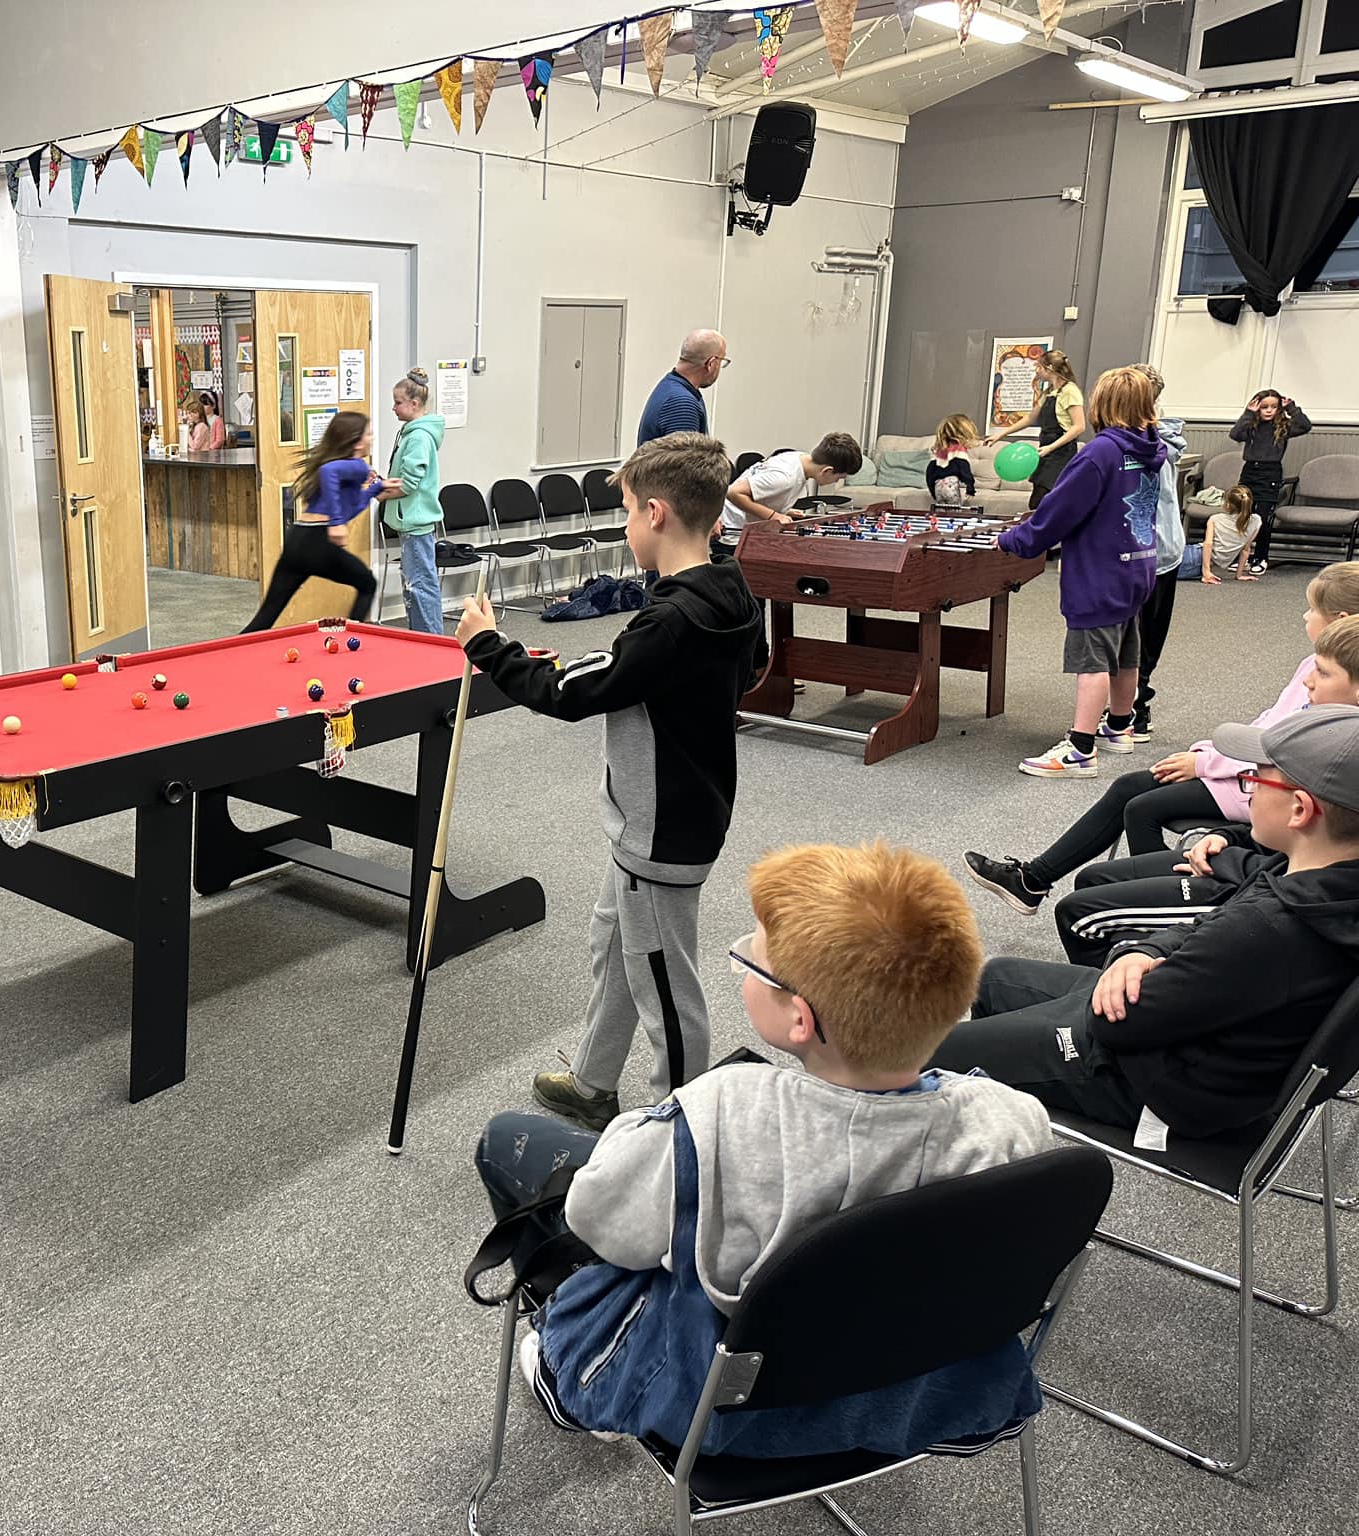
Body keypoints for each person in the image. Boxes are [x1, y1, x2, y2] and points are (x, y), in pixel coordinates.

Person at [474, 842, 1053, 1456]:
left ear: (800, 1020)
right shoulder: (1015, 1119)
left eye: (752, 955)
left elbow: (596, 1221)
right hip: (917, 1392)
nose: (743, 961)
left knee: (514, 1144)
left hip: (730, 1407)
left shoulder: (720, 1115)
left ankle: (569, 1368)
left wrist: (648, 1127)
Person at [456, 433, 767, 1128]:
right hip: (674, 813)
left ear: (655, 515)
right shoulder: (734, 587)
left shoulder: (669, 621)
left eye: (627, 511)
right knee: (617, 941)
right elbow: (752, 666)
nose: (625, 525)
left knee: (665, 979)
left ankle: (683, 1124)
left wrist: (486, 646)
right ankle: (595, 1082)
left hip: (662, 828)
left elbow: (572, 690)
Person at [932, 705, 1359, 1140]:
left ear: (1300, 811)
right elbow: (1212, 921)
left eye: (1253, 780)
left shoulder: (1270, 930)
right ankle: (987, 1122)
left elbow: (1116, 1023)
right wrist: (1142, 950)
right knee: (997, 977)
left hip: (1157, 1082)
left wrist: (1126, 966)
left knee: (923, 1058)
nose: (1246, 791)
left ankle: (976, 1144)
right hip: (1189, 1041)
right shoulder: (1313, 878)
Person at [966, 562, 1359, 915]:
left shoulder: (1336, 691)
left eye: (1311, 610)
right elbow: (1269, 722)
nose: (1304, 616)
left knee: (1142, 808)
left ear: (1340, 619)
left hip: (1258, 784)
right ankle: (1034, 880)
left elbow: (1277, 745)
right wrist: (1205, 753)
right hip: (1244, 770)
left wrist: (1203, 763)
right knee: (1129, 787)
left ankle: (1159, 900)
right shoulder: (1316, 666)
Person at [1050, 612, 1359, 966]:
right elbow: (1292, 837)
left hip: (1258, 877)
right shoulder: (1321, 732)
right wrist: (1229, 838)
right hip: (1254, 856)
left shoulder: (1339, 761)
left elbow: (1303, 858)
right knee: (1095, 873)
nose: (1308, 680)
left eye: (1321, 671)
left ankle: (1116, 973)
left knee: (1081, 911)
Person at [998, 366, 1163, 779]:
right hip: (1137, 566)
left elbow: (1060, 510)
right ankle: (1120, 727)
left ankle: (1080, 749)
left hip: (1099, 572)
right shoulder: (1148, 447)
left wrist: (1015, 540)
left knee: (1092, 660)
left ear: (1101, 404)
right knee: (1126, 652)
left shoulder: (1100, 452)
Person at [242, 410, 387, 630]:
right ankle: (351, 638)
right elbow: (328, 472)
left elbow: (350, 507)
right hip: (317, 541)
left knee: (266, 617)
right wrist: (337, 522)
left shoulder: (347, 468)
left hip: (298, 539)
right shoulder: (357, 466)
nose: (371, 439)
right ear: (356, 442)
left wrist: (378, 488)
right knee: (367, 583)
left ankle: (220, 659)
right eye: (368, 434)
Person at [1131, 366, 1187, 741]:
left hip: (1152, 551)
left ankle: (1135, 707)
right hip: (1157, 550)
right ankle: (1134, 706)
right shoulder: (1147, 439)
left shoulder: (1152, 443)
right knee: (1142, 632)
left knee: (1141, 634)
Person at [379, 368, 446, 634]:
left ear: (414, 404)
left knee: (421, 587)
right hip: (411, 523)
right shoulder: (411, 432)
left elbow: (408, 484)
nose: (393, 408)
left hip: (416, 523)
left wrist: (380, 492)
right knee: (415, 586)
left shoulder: (418, 436)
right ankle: (422, 639)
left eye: (398, 403)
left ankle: (432, 643)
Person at [984, 349, 1086, 510]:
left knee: (1043, 501)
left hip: (1062, 453)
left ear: (1050, 368)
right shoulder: (1048, 392)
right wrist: (1000, 434)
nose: (1036, 370)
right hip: (1045, 451)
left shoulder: (1070, 391)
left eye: (1039, 366)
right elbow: (1030, 418)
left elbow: (1079, 426)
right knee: (1038, 499)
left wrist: (1051, 447)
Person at [718, 431, 864, 538]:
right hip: (731, 532)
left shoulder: (799, 458)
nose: (836, 482)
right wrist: (774, 515)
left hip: (744, 528)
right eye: (839, 477)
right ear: (827, 471)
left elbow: (763, 491)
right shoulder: (786, 476)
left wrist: (784, 510)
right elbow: (733, 492)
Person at [1231, 388, 1311, 574]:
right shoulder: (1251, 425)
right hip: (1250, 471)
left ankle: (1260, 557)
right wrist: (1248, 413)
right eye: (1264, 407)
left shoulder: (1282, 427)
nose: (1268, 410)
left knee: (1264, 519)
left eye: (1273, 407)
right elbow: (1235, 434)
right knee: (1244, 516)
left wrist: (1291, 407)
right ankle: (1242, 555)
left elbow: (1305, 426)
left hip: (1270, 473)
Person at [637, 329, 726, 444]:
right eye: (722, 361)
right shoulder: (682, 404)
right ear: (711, 364)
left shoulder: (671, 387)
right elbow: (685, 461)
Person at [1203, 485, 1263, 584]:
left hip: (1196, 557)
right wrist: (1239, 575)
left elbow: (1208, 544)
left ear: (1228, 505)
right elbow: (1246, 549)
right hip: (1203, 563)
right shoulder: (1256, 521)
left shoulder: (1215, 519)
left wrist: (1206, 572)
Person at [927, 414, 979, 507]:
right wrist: (970, 489)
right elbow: (965, 470)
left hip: (938, 486)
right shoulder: (959, 450)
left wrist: (932, 491)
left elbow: (930, 473)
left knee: (942, 512)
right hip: (951, 485)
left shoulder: (939, 450)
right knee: (954, 511)